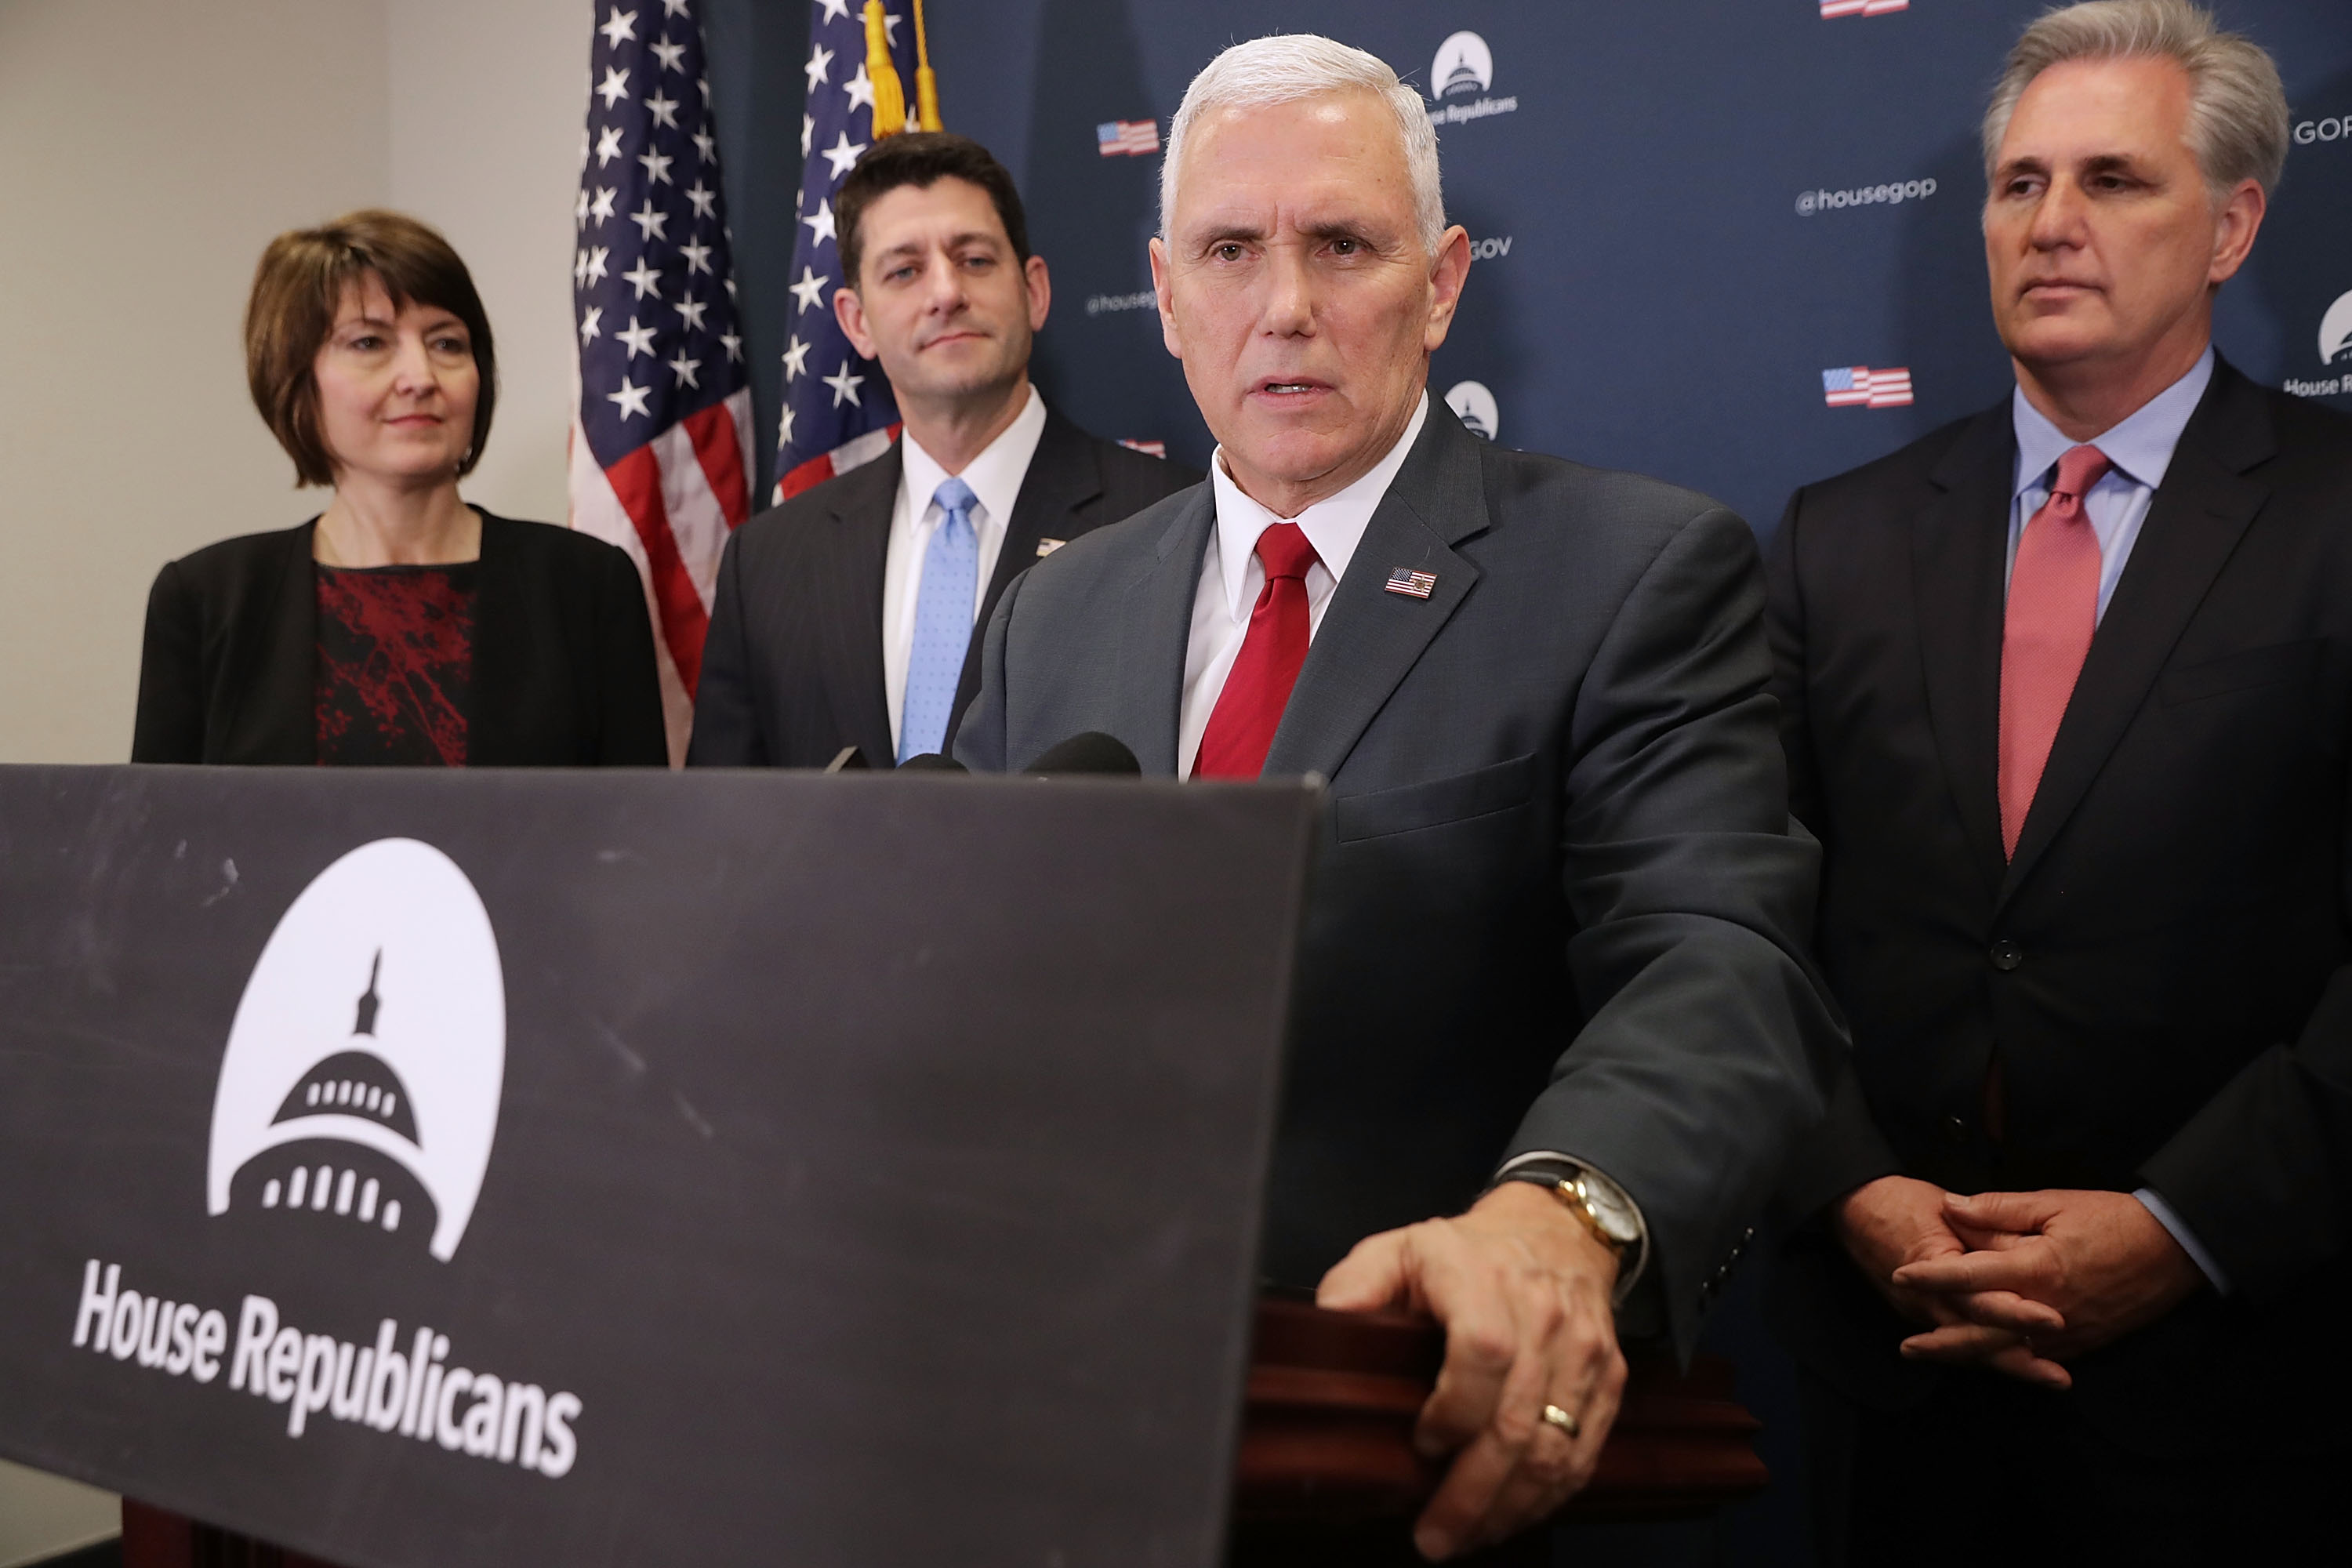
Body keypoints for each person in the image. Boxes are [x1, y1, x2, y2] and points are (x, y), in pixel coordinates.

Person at [956, 36, 1841, 1562]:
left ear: (1439, 284)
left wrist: (1559, 1217)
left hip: (1402, 1450)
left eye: (1344, 246)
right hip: (1039, 1441)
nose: (1285, 305)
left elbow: (1715, 957)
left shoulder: (1634, 570)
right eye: (1233, 250)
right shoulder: (1053, 613)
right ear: (1165, 296)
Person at [1762, 2, 2352, 1559]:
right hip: (1897, 1374)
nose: (2052, 224)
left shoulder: (2332, 511)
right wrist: (1855, 1190)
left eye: (2113, 180)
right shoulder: (1842, 532)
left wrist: (2183, 1227)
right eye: (2020, 185)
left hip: (2243, 1379)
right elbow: (1745, 911)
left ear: (2232, 226)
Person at [688, 134, 1199, 770]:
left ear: (1034, 291)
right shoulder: (765, 563)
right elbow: (724, 831)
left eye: (976, 260)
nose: (946, 293)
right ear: (856, 323)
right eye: (904, 271)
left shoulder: (1174, 520)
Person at [132, 209, 666, 768]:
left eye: (447, 343)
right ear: (295, 381)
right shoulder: (205, 601)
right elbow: (159, 845)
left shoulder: (588, 586)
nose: (421, 376)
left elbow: (640, 839)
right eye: (368, 343)